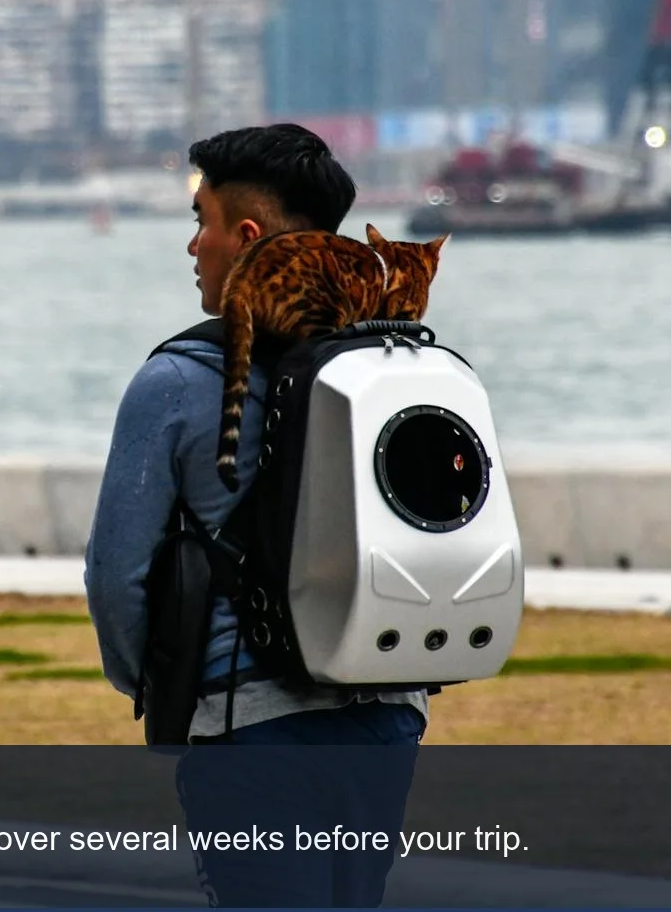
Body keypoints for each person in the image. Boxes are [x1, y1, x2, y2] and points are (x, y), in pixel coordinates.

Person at [84, 123, 425, 908]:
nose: (191, 245)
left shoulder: (175, 379)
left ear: (243, 237)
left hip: (248, 728)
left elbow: (116, 579)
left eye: (199, 220)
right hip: (387, 720)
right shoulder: (387, 360)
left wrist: (168, 691)